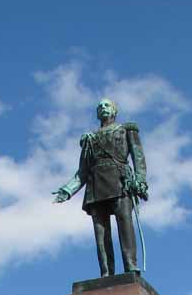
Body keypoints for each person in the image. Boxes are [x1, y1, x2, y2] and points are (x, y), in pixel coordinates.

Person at [54, 98, 148, 277]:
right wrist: (67, 190)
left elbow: (138, 157)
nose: (103, 108)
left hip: (120, 181)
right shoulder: (90, 139)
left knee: (125, 225)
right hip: (96, 185)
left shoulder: (126, 130)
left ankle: (130, 266)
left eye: (107, 105)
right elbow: (82, 171)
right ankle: (106, 272)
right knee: (101, 232)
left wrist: (141, 180)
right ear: (97, 113)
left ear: (114, 110)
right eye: (100, 107)